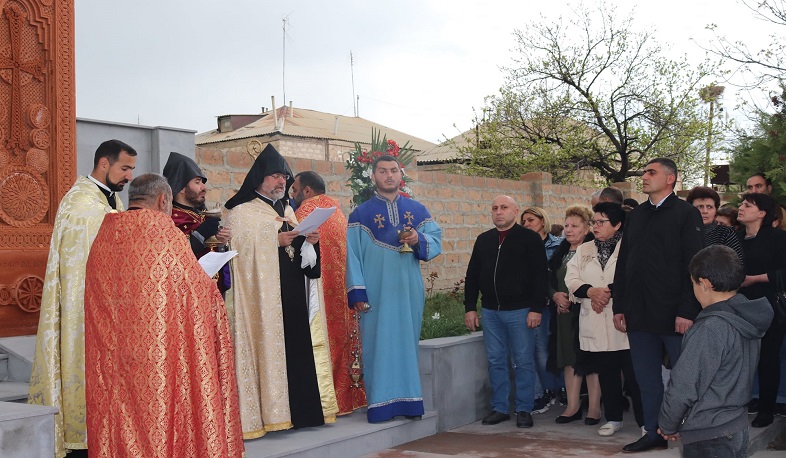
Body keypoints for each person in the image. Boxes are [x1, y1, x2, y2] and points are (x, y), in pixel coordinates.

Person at [83, 174, 244, 457]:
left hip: (112, 351)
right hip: (155, 352)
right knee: (155, 414)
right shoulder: (163, 230)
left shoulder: (106, 231)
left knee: (117, 408)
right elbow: (194, 288)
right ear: (163, 200)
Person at [28, 139, 137, 457]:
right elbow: (82, 269)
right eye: (125, 168)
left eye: (132, 169)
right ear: (104, 164)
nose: (129, 176)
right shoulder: (81, 205)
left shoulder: (109, 202)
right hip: (83, 313)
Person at [226, 144, 337, 437]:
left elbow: (302, 257)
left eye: (284, 177)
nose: (281, 182)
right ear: (260, 178)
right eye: (275, 176)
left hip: (292, 293)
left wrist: (309, 241)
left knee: (298, 350)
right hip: (265, 301)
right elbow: (239, 254)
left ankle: (302, 413)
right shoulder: (242, 212)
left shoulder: (287, 209)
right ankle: (274, 414)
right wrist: (274, 241)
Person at [613, 158, 705, 453]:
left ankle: (691, 433)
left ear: (670, 179)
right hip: (638, 313)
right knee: (646, 380)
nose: (644, 176)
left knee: (685, 380)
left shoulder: (686, 214)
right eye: (643, 172)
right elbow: (624, 262)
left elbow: (694, 265)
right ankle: (652, 433)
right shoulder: (636, 215)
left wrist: (687, 310)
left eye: (651, 172)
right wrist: (619, 306)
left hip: (674, 313)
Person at [346, 154, 442, 423]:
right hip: (376, 291)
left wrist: (418, 238)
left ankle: (410, 403)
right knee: (378, 344)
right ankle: (380, 404)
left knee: (406, 344)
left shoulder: (419, 210)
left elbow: (435, 241)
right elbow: (351, 256)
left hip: (408, 289)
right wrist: (358, 292)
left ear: (401, 176)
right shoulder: (360, 214)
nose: (389, 175)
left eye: (393, 171)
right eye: (382, 171)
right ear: (373, 176)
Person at [658, 245, 773, 457]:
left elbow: (683, 387)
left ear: (705, 284)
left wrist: (667, 424)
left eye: (693, 283)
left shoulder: (710, 328)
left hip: (709, 436)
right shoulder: (745, 316)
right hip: (735, 428)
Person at [465, 196, 548, 428]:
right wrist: (470, 307)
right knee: (496, 361)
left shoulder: (529, 239)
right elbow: (472, 275)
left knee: (523, 361)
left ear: (515, 211)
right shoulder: (484, 240)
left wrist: (536, 308)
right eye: (494, 208)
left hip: (520, 311)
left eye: (504, 208)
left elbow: (541, 276)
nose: (499, 212)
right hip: (491, 311)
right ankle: (499, 408)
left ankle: (524, 409)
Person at [292, 170, 367, 415]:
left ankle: (326, 402)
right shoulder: (337, 210)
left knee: (322, 343)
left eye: (294, 190)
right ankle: (348, 398)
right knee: (345, 342)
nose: (291, 195)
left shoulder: (304, 213)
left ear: (306, 191)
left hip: (319, 293)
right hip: (344, 289)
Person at [566, 202, 644, 436]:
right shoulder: (584, 249)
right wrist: (591, 292)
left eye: (602, 222)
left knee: (635, 377)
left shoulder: (631, 247)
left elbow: (633, 278)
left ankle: (645, 422)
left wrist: (605, 293)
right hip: (595, 318)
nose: (596, 226)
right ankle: (613, 418)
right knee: (607, 374)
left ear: (618, 224)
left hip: (624, 320)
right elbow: (572, 279)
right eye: (594, 222)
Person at [548, 205, 601, 426]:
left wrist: (574, 298)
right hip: (563, 314)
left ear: (586, 227)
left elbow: (598, 281)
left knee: (590, 359)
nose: (568, 230)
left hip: (588, 312)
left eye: (574, 226)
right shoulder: (560, 252)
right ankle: (572, 406)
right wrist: (555, 296)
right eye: (566, 225)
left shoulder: (594, 250)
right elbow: (548, 280)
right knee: (569, 359)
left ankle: (595, 408)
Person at [736, 192, 786, 427]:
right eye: (741, 204)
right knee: (739, 359)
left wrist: (755, 278)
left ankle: (766, 408)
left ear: (762, 213)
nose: (741, 207)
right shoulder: (735, 238)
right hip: (737, 307)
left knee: (767, 359)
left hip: (769, 307)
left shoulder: (777, 237)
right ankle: (738, 404)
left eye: (748, 205)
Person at [162, 152, 231, 294]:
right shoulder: (168, 220)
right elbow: (172, 258)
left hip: (211, 292)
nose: (204, 187)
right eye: (197, 182)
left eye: (203, 183)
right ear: (181, 187)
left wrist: (222, 243)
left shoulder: (202, 216)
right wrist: (200, 235)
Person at [521, 206, 564, 411]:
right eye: (524, 221)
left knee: (557, 348)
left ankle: (562, 389)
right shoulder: (523, 245)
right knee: (540, 350)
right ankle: (548, 390)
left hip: (558, 304)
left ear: (542, 220)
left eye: (531, 220)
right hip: (536, 305)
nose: (527, 224)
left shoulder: (558, 245)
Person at [685, 186, 743, 260]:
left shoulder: (725, 234)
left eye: (709, 207)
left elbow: (737, 263)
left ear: (716, 210)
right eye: (699, 207)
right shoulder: (682, 232)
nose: (705, 211)